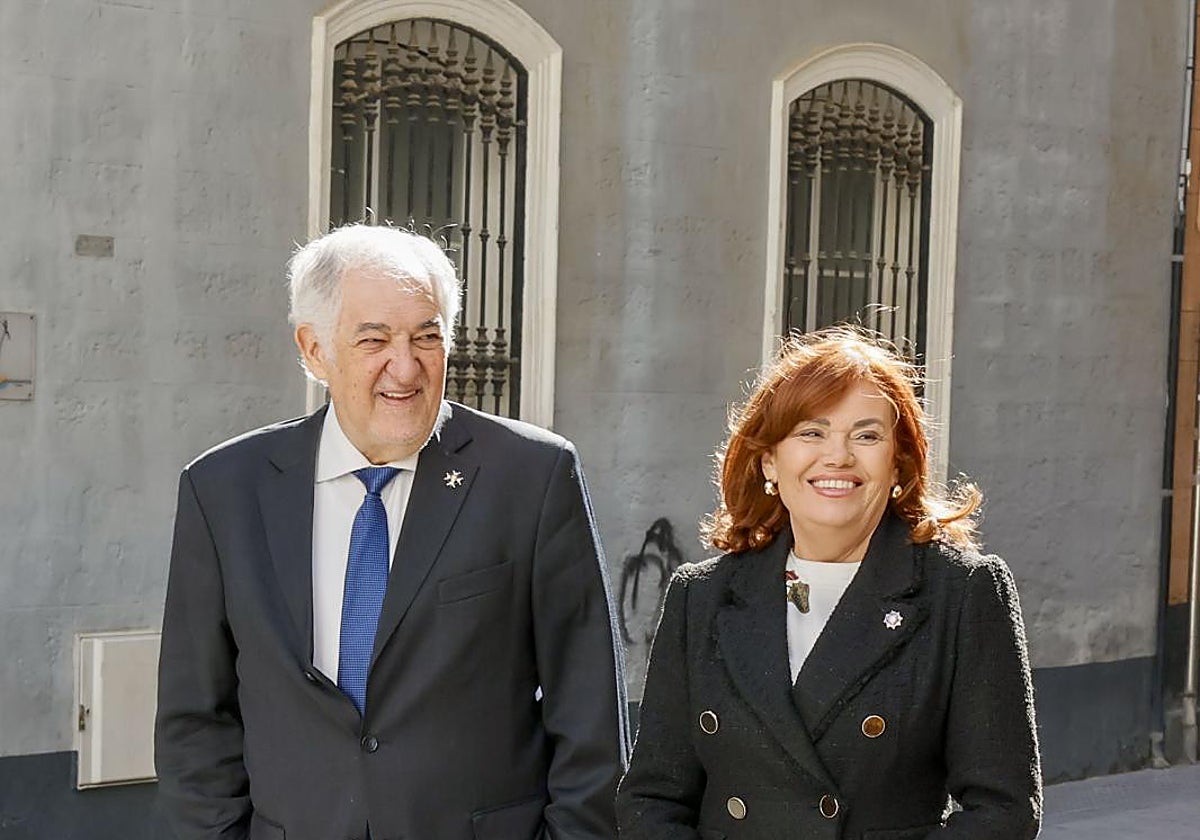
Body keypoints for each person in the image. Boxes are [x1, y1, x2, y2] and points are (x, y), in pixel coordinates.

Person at [155, 224, 629, 840]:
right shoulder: (224, 490)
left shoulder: (531, 477)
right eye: (374, 339)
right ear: (314, 349)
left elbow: (590, 713)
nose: (404, 368)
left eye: (427, 337)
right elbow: (196, 722)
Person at [616, 327, 1041, 840]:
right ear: (770, 460)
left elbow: (1003, 810)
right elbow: (652, 798)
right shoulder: (701, 596)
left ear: (899, 463)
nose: (837, 457)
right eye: (810, 432)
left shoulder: (962, 592)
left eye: (866, 435)